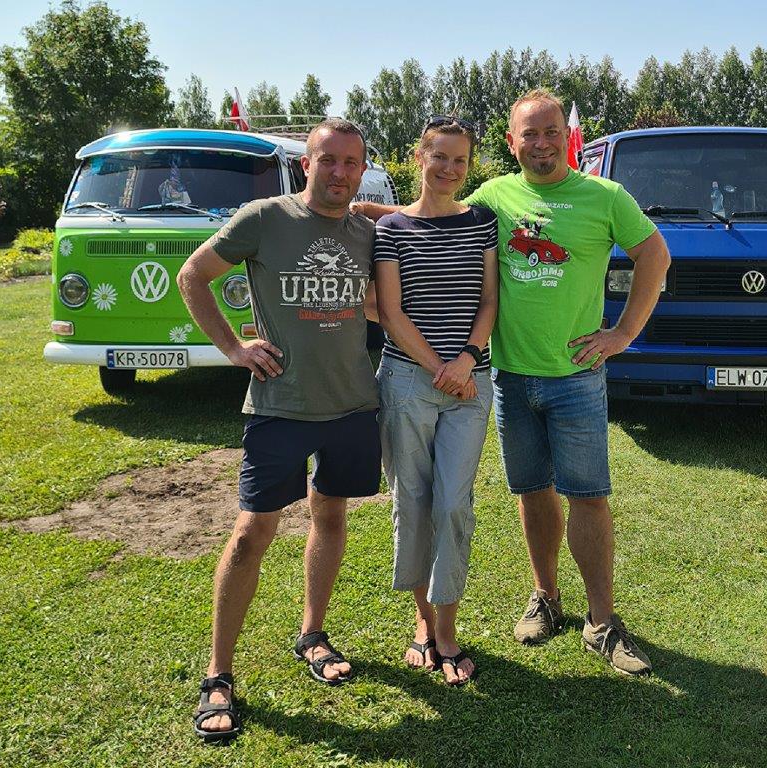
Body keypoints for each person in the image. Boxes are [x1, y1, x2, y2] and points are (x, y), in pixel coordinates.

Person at [356, 89, 671, 676]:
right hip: (509, 377)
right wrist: (367, 212)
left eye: (552, 132)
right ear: (511, 142)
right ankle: (545, 597)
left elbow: (655, 256)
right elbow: (434, 208)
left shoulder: (605, 196)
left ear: (567, 137)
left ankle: (602, 621)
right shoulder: (494, 198)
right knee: (531, 491)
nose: (542, 143)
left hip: (576, 376)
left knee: (589, 495)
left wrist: (623, 333)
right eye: (530, 133)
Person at [178, 118, 381, 742]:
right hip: (279, 405)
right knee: (250, 533)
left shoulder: (366, 231)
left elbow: (412, 225)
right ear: (306, 164)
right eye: (328, 160)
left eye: (351, 162)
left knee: (331, 516)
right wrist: (233, 348)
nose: (340, 172)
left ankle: (312, 634)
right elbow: (192, 276)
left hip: (352, 405)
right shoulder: (265, 217)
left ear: (362, 169)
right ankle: (218, 674)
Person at [368, 115, 498, 685]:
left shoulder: (482, 222)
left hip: (470, 384)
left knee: (452, 505)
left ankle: (447, 628)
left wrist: (465, 360)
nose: (449, 168)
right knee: (413, 502)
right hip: (408, 381)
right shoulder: (391, 229)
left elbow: (490, 300)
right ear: (419, 157)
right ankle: (424, 623)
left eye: (460, 160)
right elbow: (391, 312)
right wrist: (438, 367)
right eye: (439, 156)